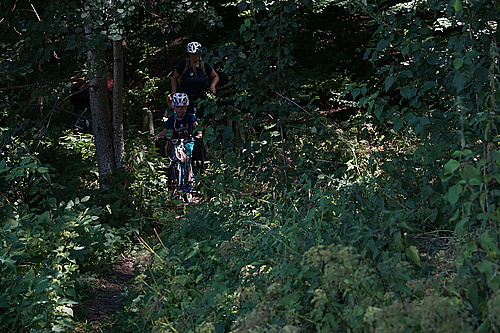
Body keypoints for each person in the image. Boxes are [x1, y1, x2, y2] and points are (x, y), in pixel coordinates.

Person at [153, 93, 199, 185]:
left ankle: (189, 179)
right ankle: (175, 178)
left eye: (182, 107)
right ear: (174, 107)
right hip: (176, 140)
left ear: (186, 107)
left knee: (187, 157)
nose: (179, 109)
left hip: (188, 140)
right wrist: (158, 136)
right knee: (175, 156)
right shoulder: (171, 119)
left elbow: (197, 127)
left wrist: (199, 134)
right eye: (177, 107)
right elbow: (165, 131)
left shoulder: (190, 117)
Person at [170, 41, 219, 121]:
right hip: (185, 97)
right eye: (191, 54)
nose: (193, 56)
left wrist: (213, 85)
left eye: (195, 54)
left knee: (202, 118)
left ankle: (202, 133)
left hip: (201, 96)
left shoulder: (204, 65)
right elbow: (174, 78)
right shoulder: (184, 64)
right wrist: (174, 91)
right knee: (185, 117)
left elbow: (215, 76)